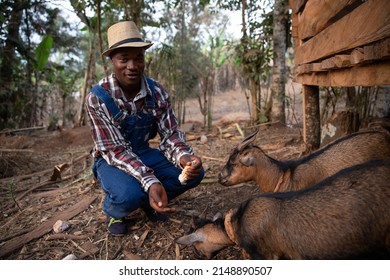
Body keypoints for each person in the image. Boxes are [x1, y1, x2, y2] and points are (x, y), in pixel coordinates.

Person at [85, 21, 205, 236]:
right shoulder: (98, 98)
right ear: (112, 60)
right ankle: (115, 211)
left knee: (193, 174)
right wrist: (150, 181)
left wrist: (184, 157)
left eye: (138, 58)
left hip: (141, 152)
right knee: (129, 195)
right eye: (124, 59)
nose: (132, 65)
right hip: (111, 159)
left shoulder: (156, 91)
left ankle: (153, 201)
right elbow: (115, 151)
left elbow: (170, 134)